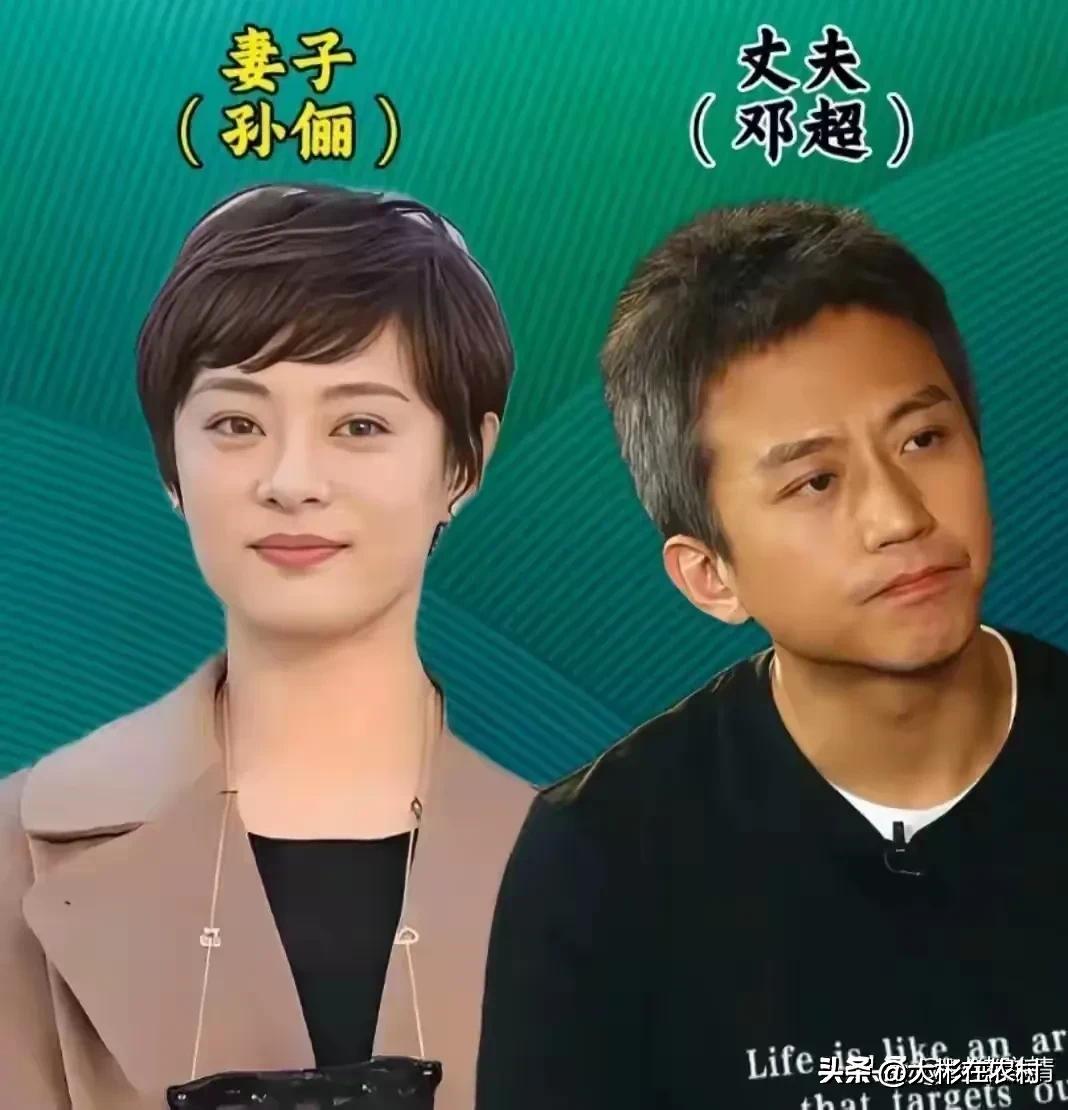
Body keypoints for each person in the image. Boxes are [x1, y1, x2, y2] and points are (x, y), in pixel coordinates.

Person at [476, 200, 1068, 1109]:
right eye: (816, 481)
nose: (900, 515)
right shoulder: (604, 858)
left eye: (923, 439)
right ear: (710, 575)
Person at [0, 183, 535, 1110]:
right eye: (236, 424)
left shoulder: (598, 866)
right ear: (171, 462)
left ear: (465, 461)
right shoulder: (15, 853)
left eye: (359, 425)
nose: (292, 481)